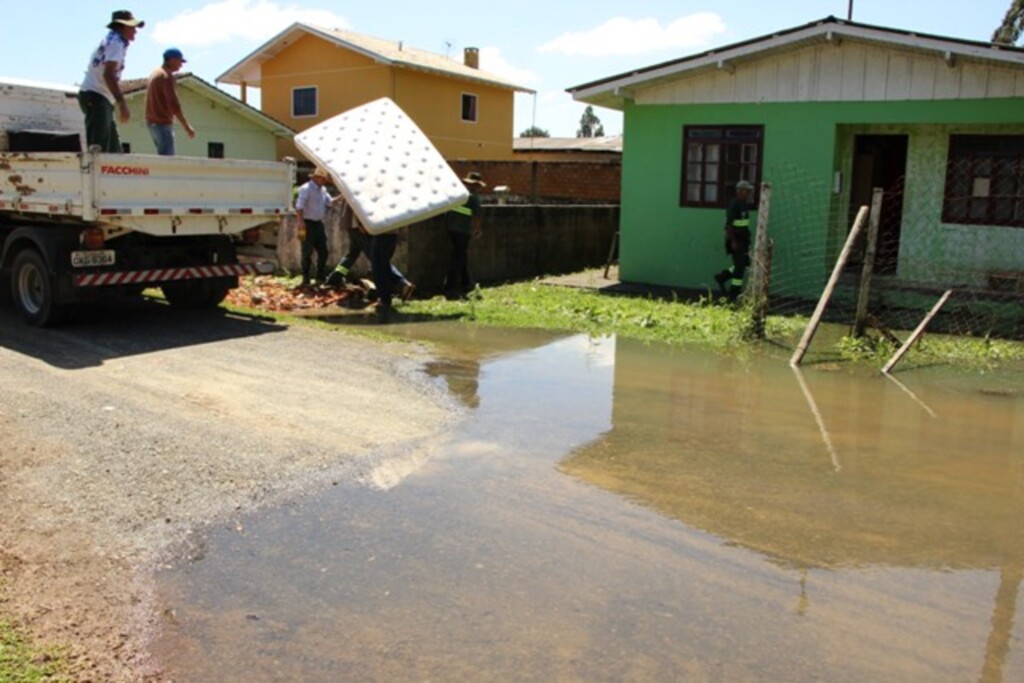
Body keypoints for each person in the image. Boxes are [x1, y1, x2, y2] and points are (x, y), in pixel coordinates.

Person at [79, 10, 144, 153]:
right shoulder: (116, 44)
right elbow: (108, 75)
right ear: (122, 26)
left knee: (114, 150)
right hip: (97, 96)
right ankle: (96, 175)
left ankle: (112, 174)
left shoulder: (112, 40)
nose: (135, 31)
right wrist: (122, 103)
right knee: (98, 150)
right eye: (132, 27)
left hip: (100, 97)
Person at [326, 205, 415, 301]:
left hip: (356, 226)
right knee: (372, 258)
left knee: (368, 258)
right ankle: (335, 276)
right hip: (357, 226)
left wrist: (361, 224)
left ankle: (400, 284)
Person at [295, 167, 343, 287]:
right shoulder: (306, 189)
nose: (325, 181)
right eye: (324, 179)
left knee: (324, 251)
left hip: (318, 224)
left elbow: (330, 202)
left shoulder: (323, 189)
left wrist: (342, 196)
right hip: (307, 223)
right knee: (306, 252)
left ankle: (320, 275)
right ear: (317, 177)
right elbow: (299, 206)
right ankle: (306, 277)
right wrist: (300, 222)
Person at [145, 47, 196, 155]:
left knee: (162, 156)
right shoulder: (166, 76)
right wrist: (187, 126)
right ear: (171, 60)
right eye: (179, 61)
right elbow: (174, 104)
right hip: (162, 123)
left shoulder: (155, 73)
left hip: (152, 122)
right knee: (167, 160)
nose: (181, 65)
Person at [444, 171, 485, 300]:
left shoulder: (457, 195)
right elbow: (477, 217)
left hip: (451, 229)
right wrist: (477, 231)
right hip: (463, 232)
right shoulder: (473, 198)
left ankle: (467, 283)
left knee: (461, 256)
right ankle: (450, 288)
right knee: (457, 259)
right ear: (476, 185)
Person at [714, 180, 754, 302]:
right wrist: (733, 242)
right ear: (740, 191)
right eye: (747, 191)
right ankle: (733, 294)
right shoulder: (734, 205)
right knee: (740, 269)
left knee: (745, 263)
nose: (749, 193)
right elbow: (729, 226)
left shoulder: (744, 204)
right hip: (736, 240)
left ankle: (722, 276)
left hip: (744, 240)